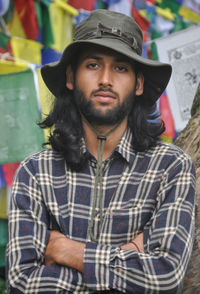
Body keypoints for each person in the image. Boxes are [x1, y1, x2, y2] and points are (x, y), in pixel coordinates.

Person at [6, 9, 196, 294]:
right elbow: (22, 282)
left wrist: (68, 251)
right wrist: (127, 254)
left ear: (139, 83)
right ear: (70, 77)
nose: (106, 79)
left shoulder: (171, 167)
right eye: (93, 65)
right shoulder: (35, 172)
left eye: (121, 68)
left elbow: (165, 277)